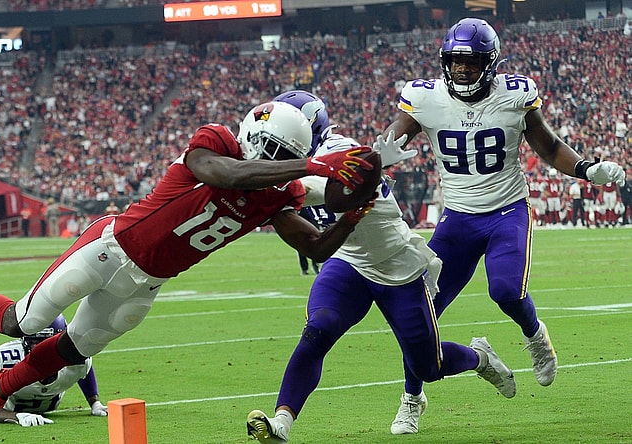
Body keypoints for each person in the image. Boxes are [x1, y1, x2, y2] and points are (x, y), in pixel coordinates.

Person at [0, 101, 375, 441]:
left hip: (146, 285)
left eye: (283, 158)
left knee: (74, 349)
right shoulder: (215, 141)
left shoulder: (276, 193)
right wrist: (314, 166)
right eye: (271, 152)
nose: (274, 165)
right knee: (25, 322)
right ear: (254, 133)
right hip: (110, 247)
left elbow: (314, 246)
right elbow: (227, 175)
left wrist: (349, 218)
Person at [375, 18, 627, 434]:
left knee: (506, 290)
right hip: (456, 217)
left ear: (489, 65)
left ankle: (535, 335)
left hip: (506, 210)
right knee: (420, 313)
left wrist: (586, 168)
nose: (459, 70)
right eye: (453, 62)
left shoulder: (515, 96)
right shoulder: (426, 98)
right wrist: (380, 158)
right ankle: (412, 397)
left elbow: (546, 146)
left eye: (469, 63)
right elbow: (392, 140)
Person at [247, 113, 516, 443]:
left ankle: (480, 357)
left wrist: (262, 183)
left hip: (396, 268)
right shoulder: (300, 166)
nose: (273, 159)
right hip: (349, 261)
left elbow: (321, 189)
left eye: (278, 149)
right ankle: (282, 422)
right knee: (319, 329)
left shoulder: (340, 151)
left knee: (428, 368)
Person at [296, 208, 320, 275]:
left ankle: (315, 266)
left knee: (315, 244)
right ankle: (304, 268)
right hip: (300, 219)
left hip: (311, 218)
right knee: (300, 245)